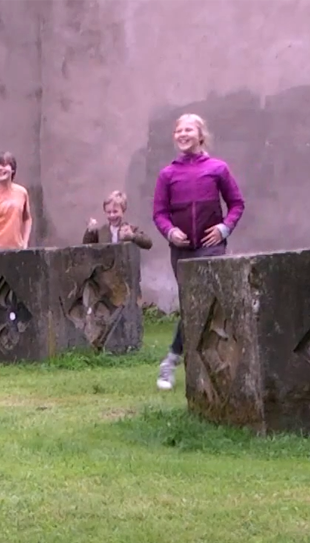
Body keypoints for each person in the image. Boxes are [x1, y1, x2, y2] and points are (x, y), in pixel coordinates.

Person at [152, 113, 245, 391]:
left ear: (201, 135)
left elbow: (237, 204)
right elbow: (159, 213)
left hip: (211, 248)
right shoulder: (167, 174)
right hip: (182, 252)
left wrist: (224, 229)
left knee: (210, 304)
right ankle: (178, 363)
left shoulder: (218, 169)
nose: (182, 134)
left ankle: (183, 360)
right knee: (192, 307)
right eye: (178, 130)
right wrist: (170, 231)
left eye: (188, 130)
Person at [83, 190, 153, 249]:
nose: (112, 215)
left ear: (123, 211)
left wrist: (132, 236)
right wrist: (90, 231)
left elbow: (148, 243)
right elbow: (86, 246)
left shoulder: (130, 229)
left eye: (115, 211)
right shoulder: (101, 231)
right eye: (108, 212)